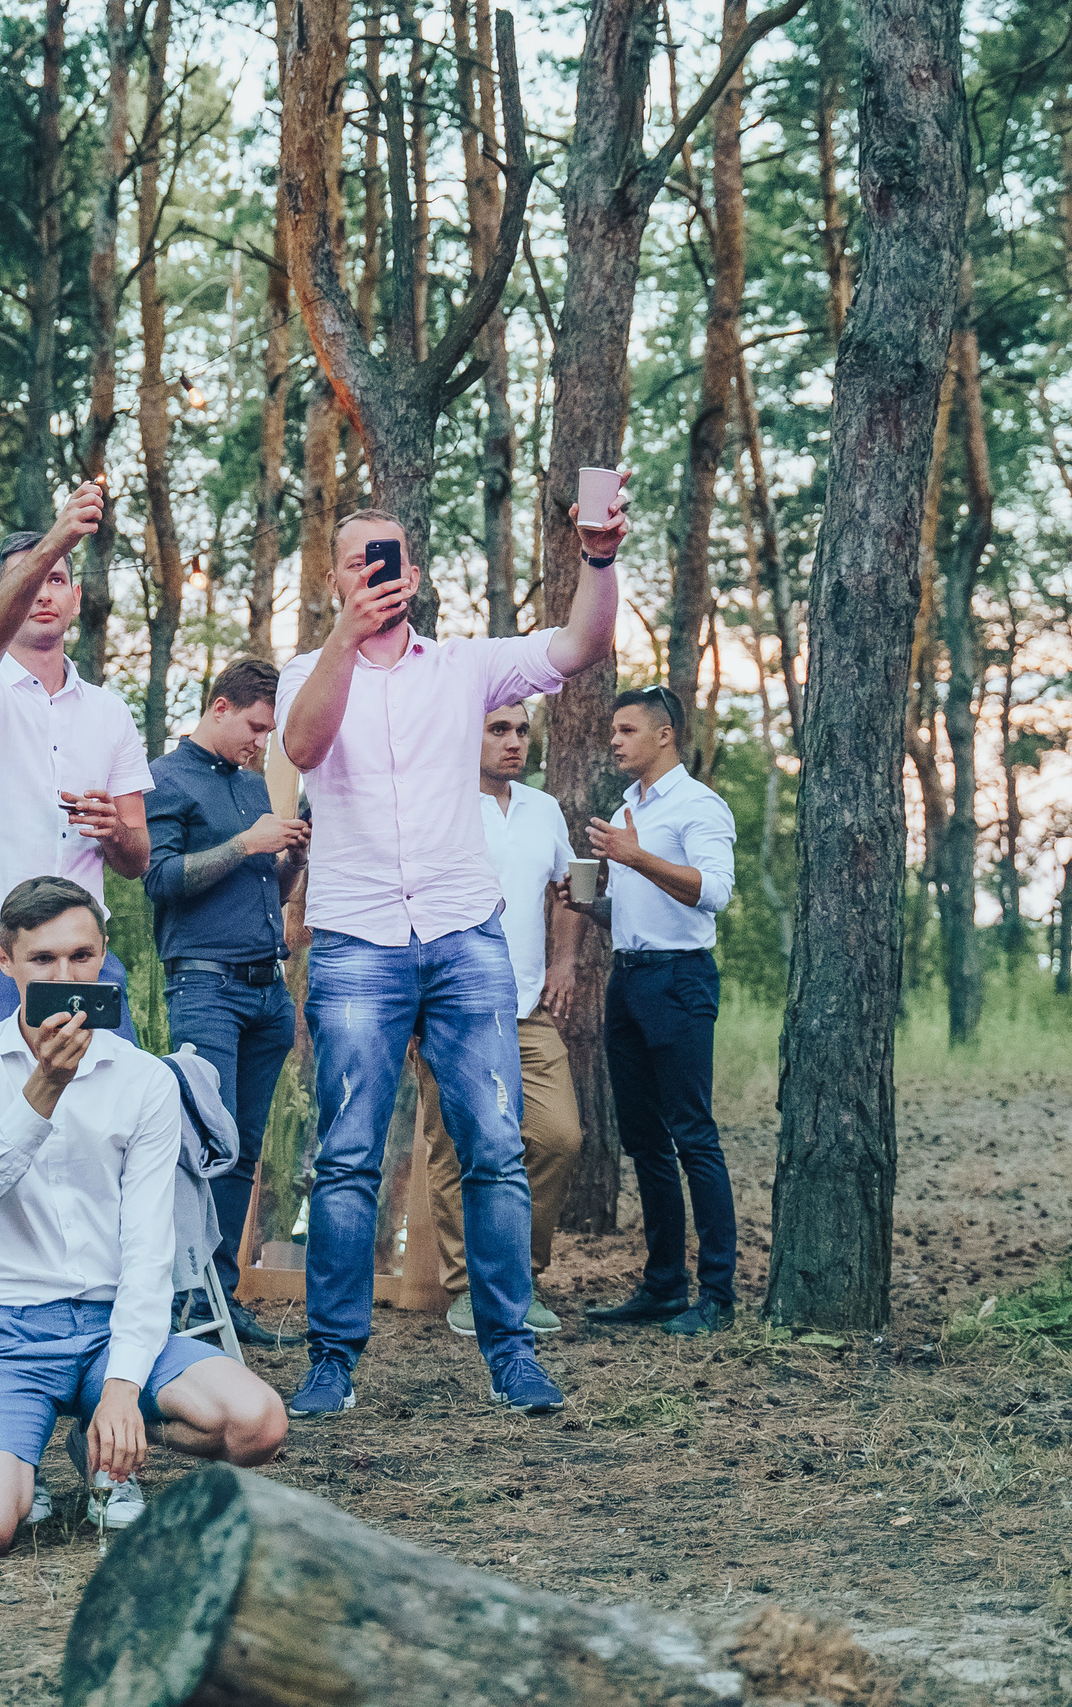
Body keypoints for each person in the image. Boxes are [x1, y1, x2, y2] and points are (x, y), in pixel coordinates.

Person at [274, 492, 630, 1419]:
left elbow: (579, 647)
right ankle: (332, 1362)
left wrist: (598, 559)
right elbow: (305, 744)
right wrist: (347, 642)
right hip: (355, 940)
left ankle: (511, 1352)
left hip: (464, 935)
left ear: (415, 575)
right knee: (347, 1157)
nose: (374, 576)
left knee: (496, 1151)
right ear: (335, 578)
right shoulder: (306, 671)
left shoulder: (466, 667)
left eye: (388, 561)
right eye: (358, 563)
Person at [0, 877, 287, 1557]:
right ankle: (15, 1451)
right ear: (6, 962)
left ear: (103, 957)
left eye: (82, 956)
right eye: (43, 960)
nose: (66, 975)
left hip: (112, 1321)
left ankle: (94, 1431)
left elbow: (150, 1245)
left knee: (257, 1422)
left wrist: (122, 1383)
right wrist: (42, 1091)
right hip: (8, 1328)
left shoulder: (142, 1078)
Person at [0, 480, 149, 1036]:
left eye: (57, 580)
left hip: (83, 954)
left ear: (77, 599)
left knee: (105, 1115)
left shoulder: (110, 712)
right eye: (27, 583)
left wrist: (113, 833)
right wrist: (55, 542)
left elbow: (137, 857)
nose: (43, 594)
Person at [143, 656, 306, 1347]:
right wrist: (248, 842)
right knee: (203, 1149)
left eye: (268, 733)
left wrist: (293, 855)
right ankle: (186, 1304)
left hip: (267, 991)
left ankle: (223, 1295)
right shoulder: (160, 778)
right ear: (218, 706)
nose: (260, 743)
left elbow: (266, 886)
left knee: (242, 1154)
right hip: (205, 989)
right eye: (255, 727)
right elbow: (158, 878)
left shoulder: (251, 784)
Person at [569, 686, 740, 1337]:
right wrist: (592, 906)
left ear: (664, 734)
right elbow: (639, 909)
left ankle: (717, 1294)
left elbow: (715, 892)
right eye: (613, 729)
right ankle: (665, 1283)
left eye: (626, 728)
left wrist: (635, 855)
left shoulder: (698, 805)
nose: (614, 739)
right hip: (630, 977)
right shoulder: (626, 808)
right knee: (643, 1140)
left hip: (680, 980)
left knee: (693, 1134)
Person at [416, 700, 584, 1338]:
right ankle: (469, 1291)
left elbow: (573, 887)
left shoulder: (543, 809)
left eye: (521, 731)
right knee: (456, 1149)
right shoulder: (439, 803)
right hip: (450, 1009)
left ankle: (517, 1279)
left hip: (527, 1008)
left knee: (558, 1138)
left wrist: (565, 962)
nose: (514, 743)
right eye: (498, 730)